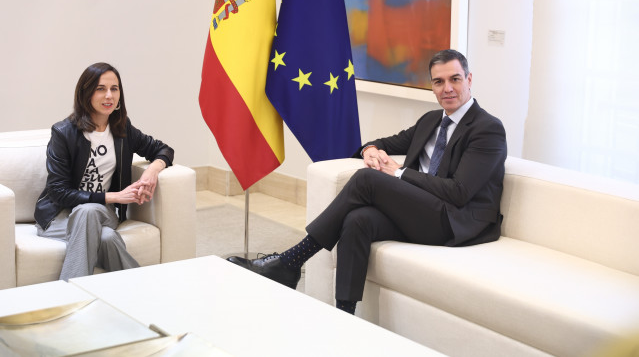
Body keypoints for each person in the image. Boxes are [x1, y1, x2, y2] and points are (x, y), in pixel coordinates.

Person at [228, 49, 507, 314]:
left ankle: (290, 261)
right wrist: (369, 150)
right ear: (432, 86)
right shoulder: (432, 121)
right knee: (357, 221)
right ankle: (344, 316)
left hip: (454, 221)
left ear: (469, 80)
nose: (447, 88)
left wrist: (399, 173)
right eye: (439, 81)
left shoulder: (487, 129)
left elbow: (459, 193)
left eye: (454, 79)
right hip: (424, 213)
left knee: (366, 180)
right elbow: (386, 141)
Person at [35, 62, 174, 281]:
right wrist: (115, 197)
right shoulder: (63, 133)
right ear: (86, 93)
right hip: (58, 216)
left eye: (114, 88)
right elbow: (58, 192)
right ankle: (144, 289)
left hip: (103, 213)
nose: (109, 95)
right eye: (100, 89)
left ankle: (68, 296)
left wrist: (153, 170)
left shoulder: (122, 128)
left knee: (90, 211)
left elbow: (163, 150)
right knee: (106, 237)